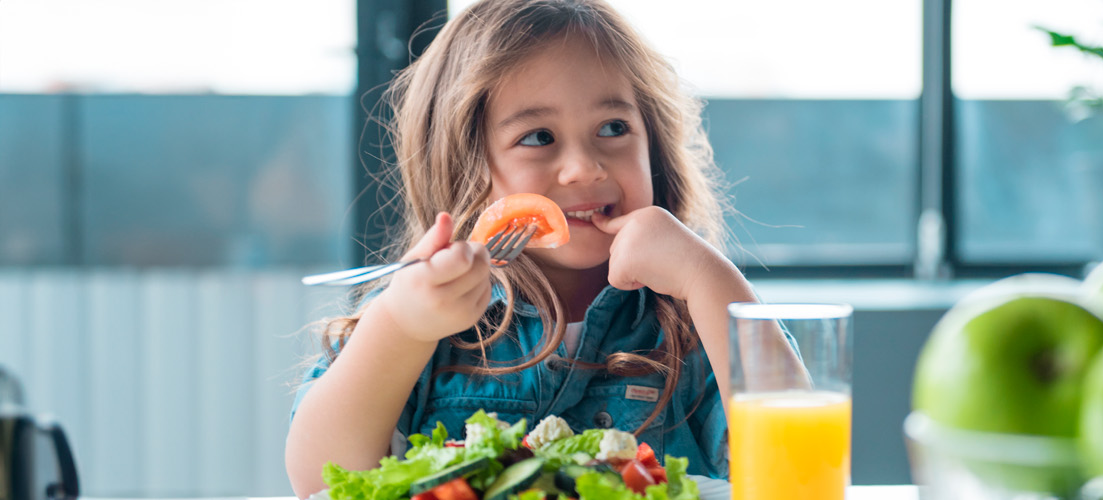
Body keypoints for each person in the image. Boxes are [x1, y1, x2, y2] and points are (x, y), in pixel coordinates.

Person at [284, 0, 794, 496]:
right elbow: (321, 478)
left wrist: (709, 280)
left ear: (654, 150)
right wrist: (400, 325)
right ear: (463, 168)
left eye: (613, 128)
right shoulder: (421, 314)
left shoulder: (693, 321)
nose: (584, 168)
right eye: (538, 137)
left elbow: (797, 467)